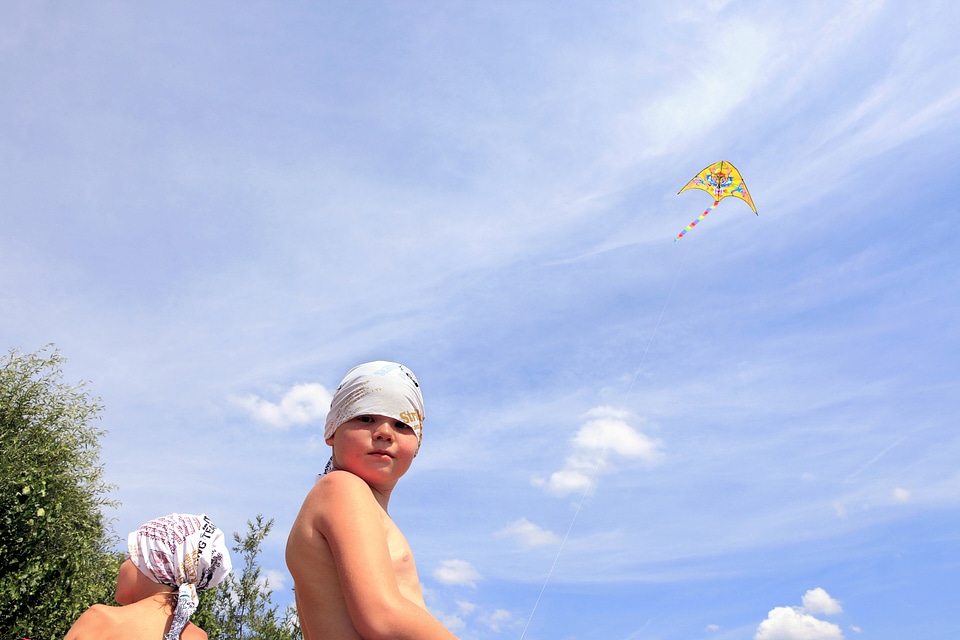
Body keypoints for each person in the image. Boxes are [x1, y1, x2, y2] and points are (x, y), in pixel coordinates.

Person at [286, 361, 459, 640]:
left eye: (402, 424)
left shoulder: (357, 502)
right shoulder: (342, 488)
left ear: (417, 445)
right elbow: (381, 616)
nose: (384, 432)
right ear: (332, 430)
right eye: (366, 418)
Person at [65, 512, 232, 640]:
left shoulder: (100, 619)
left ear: (154, 562)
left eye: (131, 556)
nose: (122, 565)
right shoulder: (194, 636)